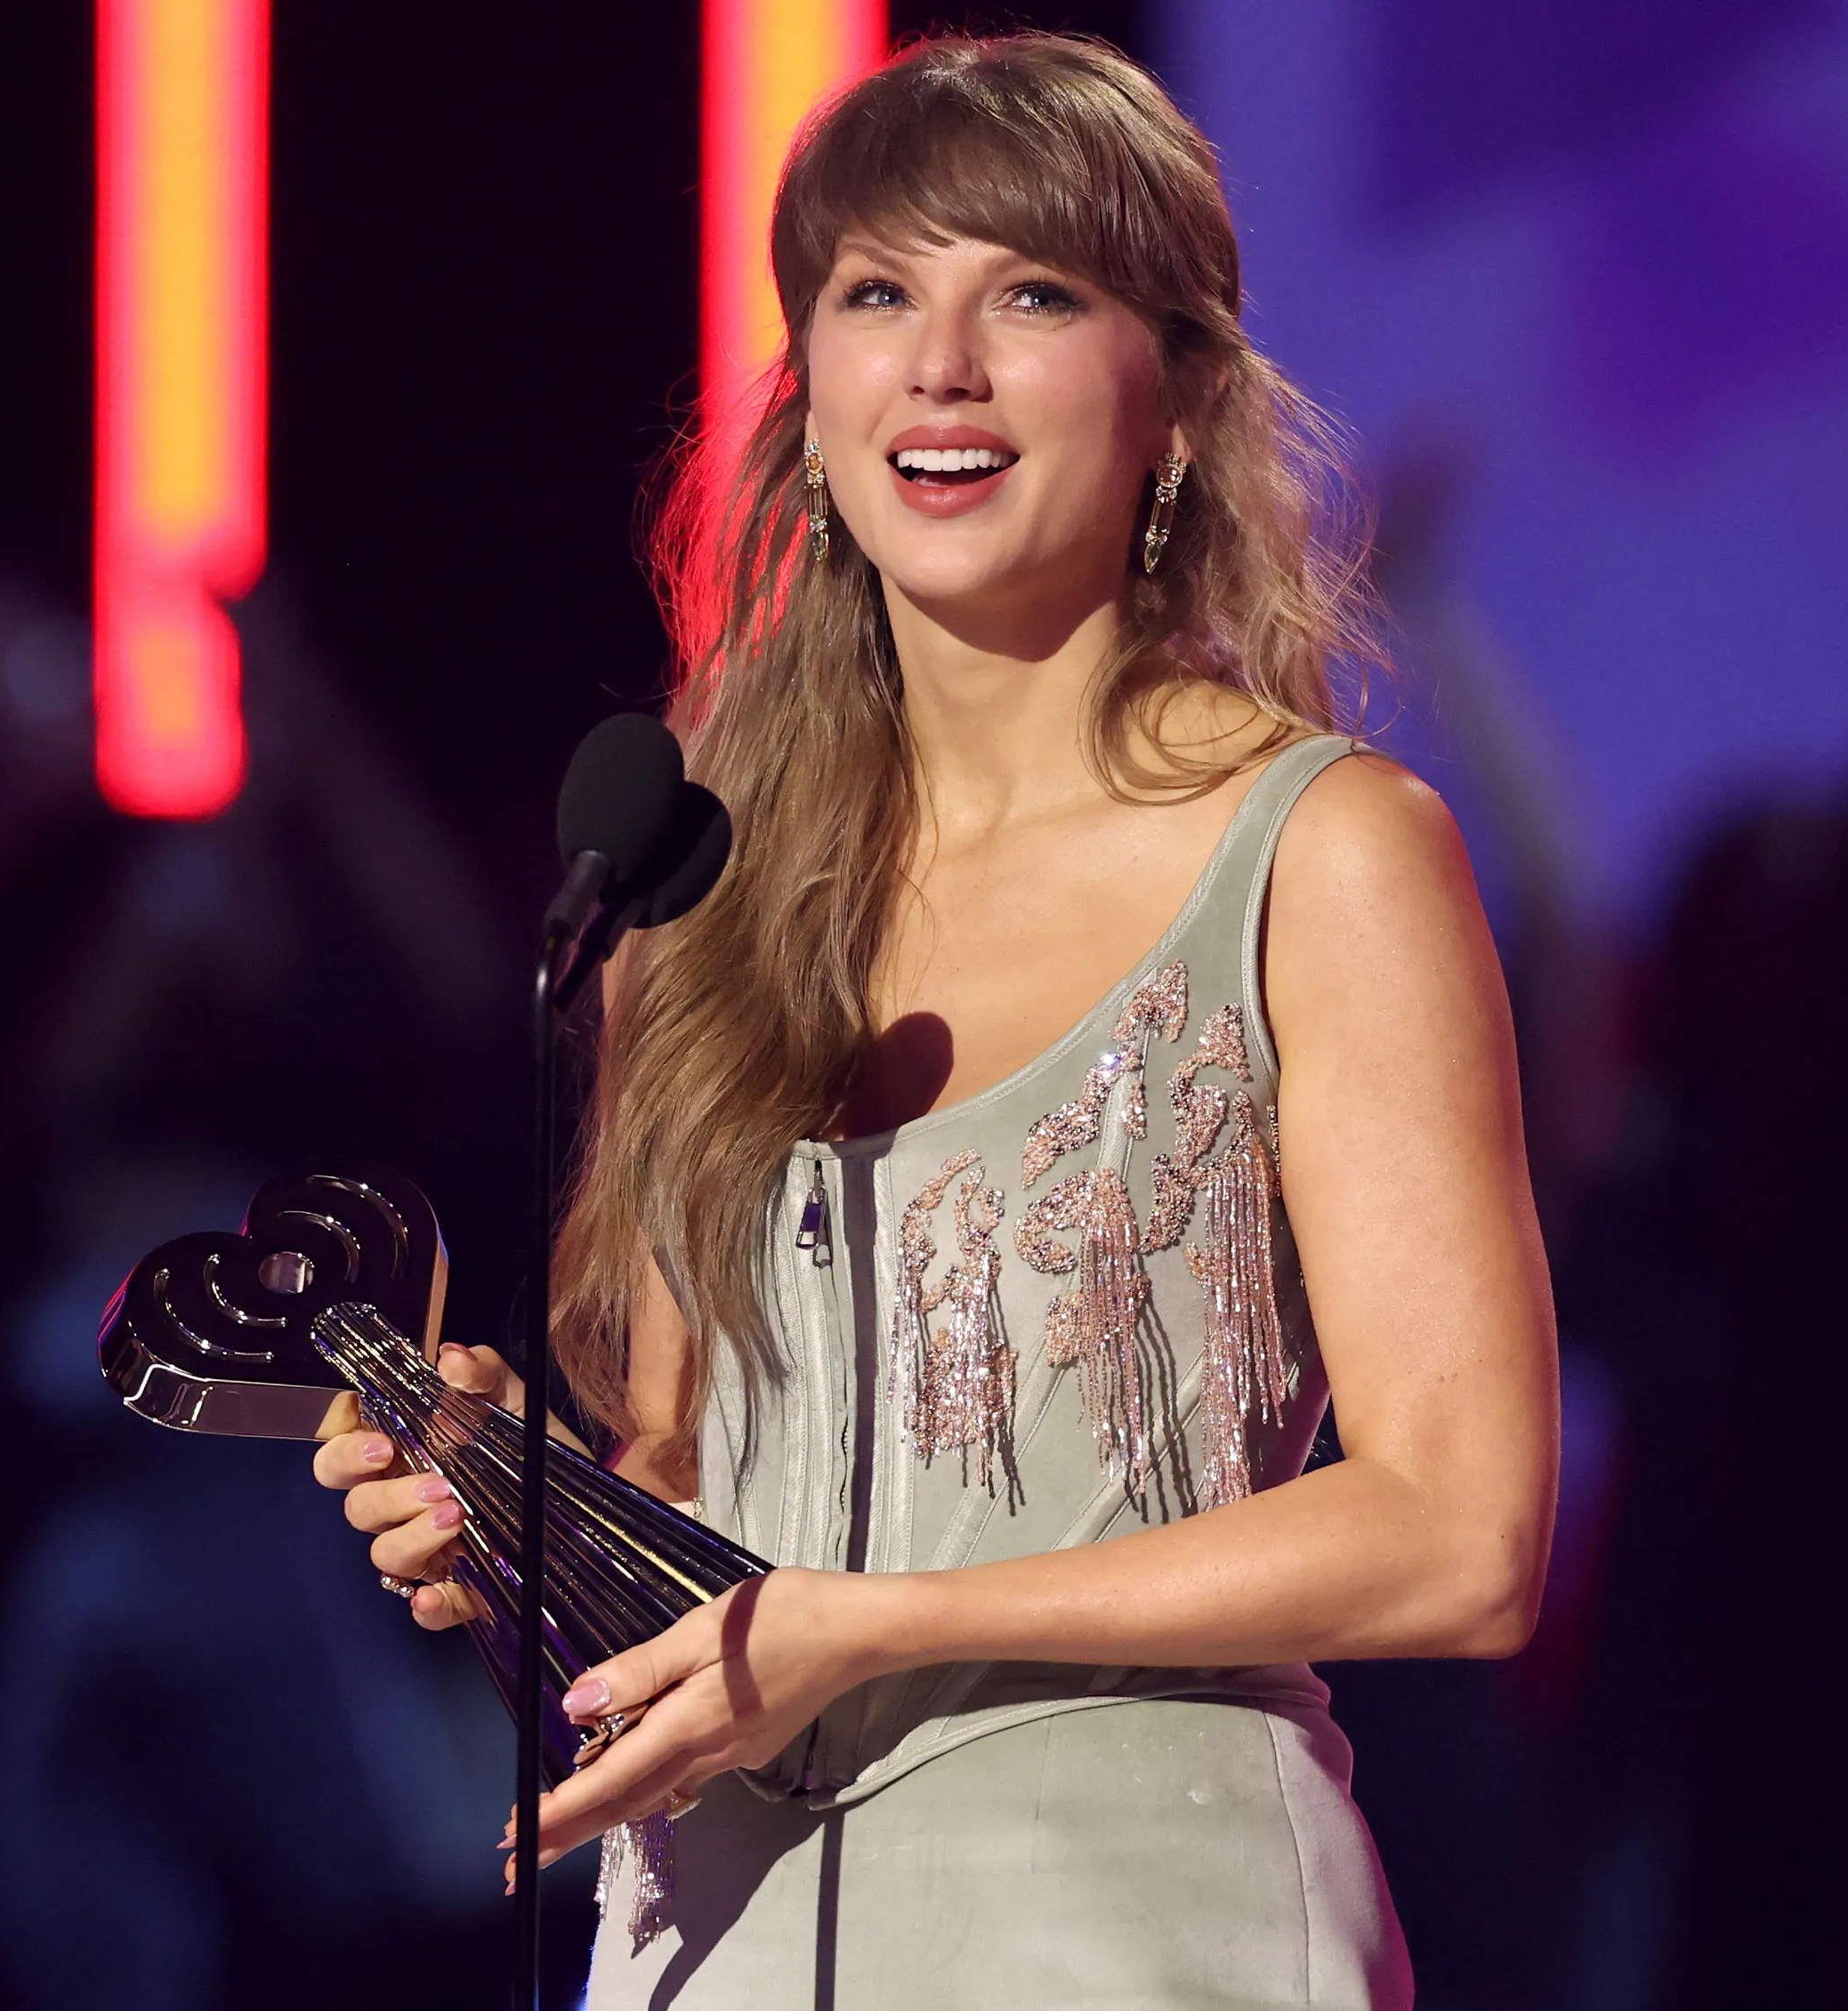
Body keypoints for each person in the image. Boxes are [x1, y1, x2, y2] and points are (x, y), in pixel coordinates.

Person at [321, 34, 1560, 2004]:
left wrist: (866, 1623)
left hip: (1135, 1927)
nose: (941, 365)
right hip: (719, 1941)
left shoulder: (1322, 857)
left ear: (1174, 402)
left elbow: (1462, 1525)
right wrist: (506, 1491)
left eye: (1033, 295)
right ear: (808, 397)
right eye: (878, 293)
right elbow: (712, 1507)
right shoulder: (697, 902)